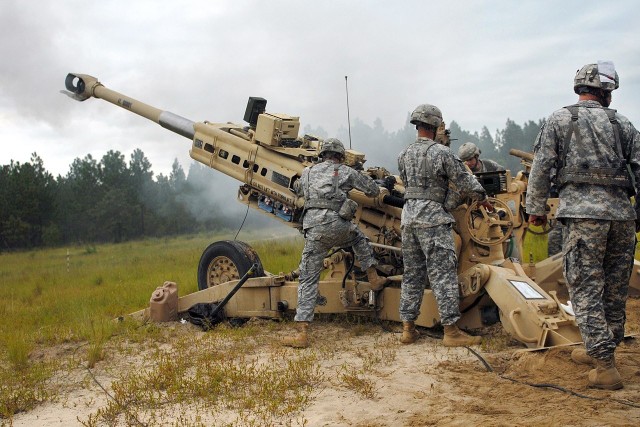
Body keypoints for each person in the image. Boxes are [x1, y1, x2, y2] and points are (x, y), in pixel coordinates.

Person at [526, 61, 640, 390]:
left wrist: (534, 209)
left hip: (582, 217)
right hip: (621, 217)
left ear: (580, 87)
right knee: (615, 289)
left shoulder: (560, 119)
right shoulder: (623, 124)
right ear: (605, 92)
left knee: (586, 288)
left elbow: (542, 165)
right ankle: (603, 351)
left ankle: (604, 365)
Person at [397, 104, 490, 347]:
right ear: (437, 125)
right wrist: (482, 196)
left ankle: (408, 329)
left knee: (413, 274)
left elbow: (408, 184)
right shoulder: (442, 153)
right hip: (433, 219)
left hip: (408, 218)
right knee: (443, 274)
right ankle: (451, 331)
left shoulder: (404, 154)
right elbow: (464, 179)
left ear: (417, 126)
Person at [282, 138, 389, 348]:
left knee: (308, 278)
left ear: (322, 155)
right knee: (359, 238)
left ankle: (302, 333)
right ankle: (373, 277)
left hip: (314, 231)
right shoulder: (344, 171)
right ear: (340, 156)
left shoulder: (308, 172)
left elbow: (297, 188)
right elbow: (373, 190)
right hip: (338, 225)